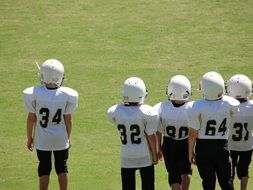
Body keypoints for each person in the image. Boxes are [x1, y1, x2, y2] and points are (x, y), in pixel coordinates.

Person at [23, 59, 78, 190]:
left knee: (44, 168)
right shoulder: (66, 94)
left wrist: (29, 137)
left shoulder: (34, 93)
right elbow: (68, 120)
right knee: (62, 167)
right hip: (60, 137)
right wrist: (68, 137)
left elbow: (31, 118)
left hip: (43, 139)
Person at [186, 71, 239, 190]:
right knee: (226, 183)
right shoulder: (230, 103)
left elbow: (193, 134)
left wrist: (190, 152)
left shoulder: (195, 106)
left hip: (203, 148)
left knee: (208, 183)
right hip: (222, 146)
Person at [107, 77, 158, 190]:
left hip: (126, 156)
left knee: (127, 187)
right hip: (144, 155)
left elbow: (115, 120)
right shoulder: (147, 112)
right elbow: (151, 135)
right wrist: (155, 154)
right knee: (148, 186)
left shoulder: (115, 111)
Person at [154, 75, 192, 190]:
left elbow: (157, 130)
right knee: (186, 171)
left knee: (173, 174)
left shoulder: (160, 107)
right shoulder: (192, 107)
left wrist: (158, 147)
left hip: (169, 144)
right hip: (186, 143)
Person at [226, 74, 253, 190]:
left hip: (230, 145)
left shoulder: (227, 105)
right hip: (247, 145)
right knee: (244, 171)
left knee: (229, 173)